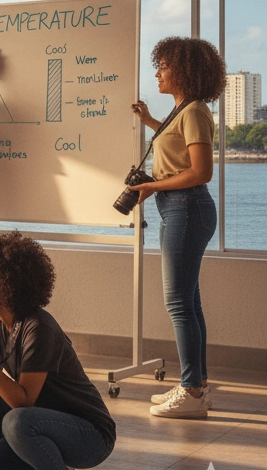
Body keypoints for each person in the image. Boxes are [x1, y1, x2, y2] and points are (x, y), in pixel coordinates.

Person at [0, 232, 115, 470]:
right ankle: (20, 459)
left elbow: (22, 401)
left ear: (7, 281)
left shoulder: (39, 328)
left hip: (88, 435)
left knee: (17, 421)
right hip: (35, 422)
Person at [128, 36, 225, 418]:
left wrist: (151, 186)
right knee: (190, 302)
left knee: (179, 304)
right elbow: (177, 149)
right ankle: (196, 384)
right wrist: (151, 120)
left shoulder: (195, 111)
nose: (158, 72)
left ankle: (192, 394)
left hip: (187, 208)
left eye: (164, 66)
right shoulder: (182, 110)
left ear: (183, 70)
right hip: (180, 209)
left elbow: (201, 171)